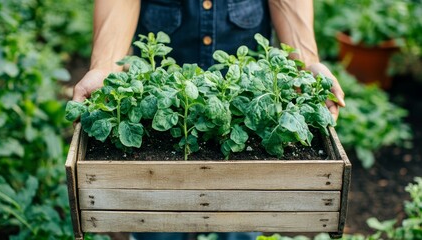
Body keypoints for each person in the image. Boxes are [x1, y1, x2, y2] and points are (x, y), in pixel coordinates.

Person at [72, 0, 346, 239]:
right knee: (156, 215)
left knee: (241, 213)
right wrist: (105, 66)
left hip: (243, 84)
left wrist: (305, 61)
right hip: (161, 84)